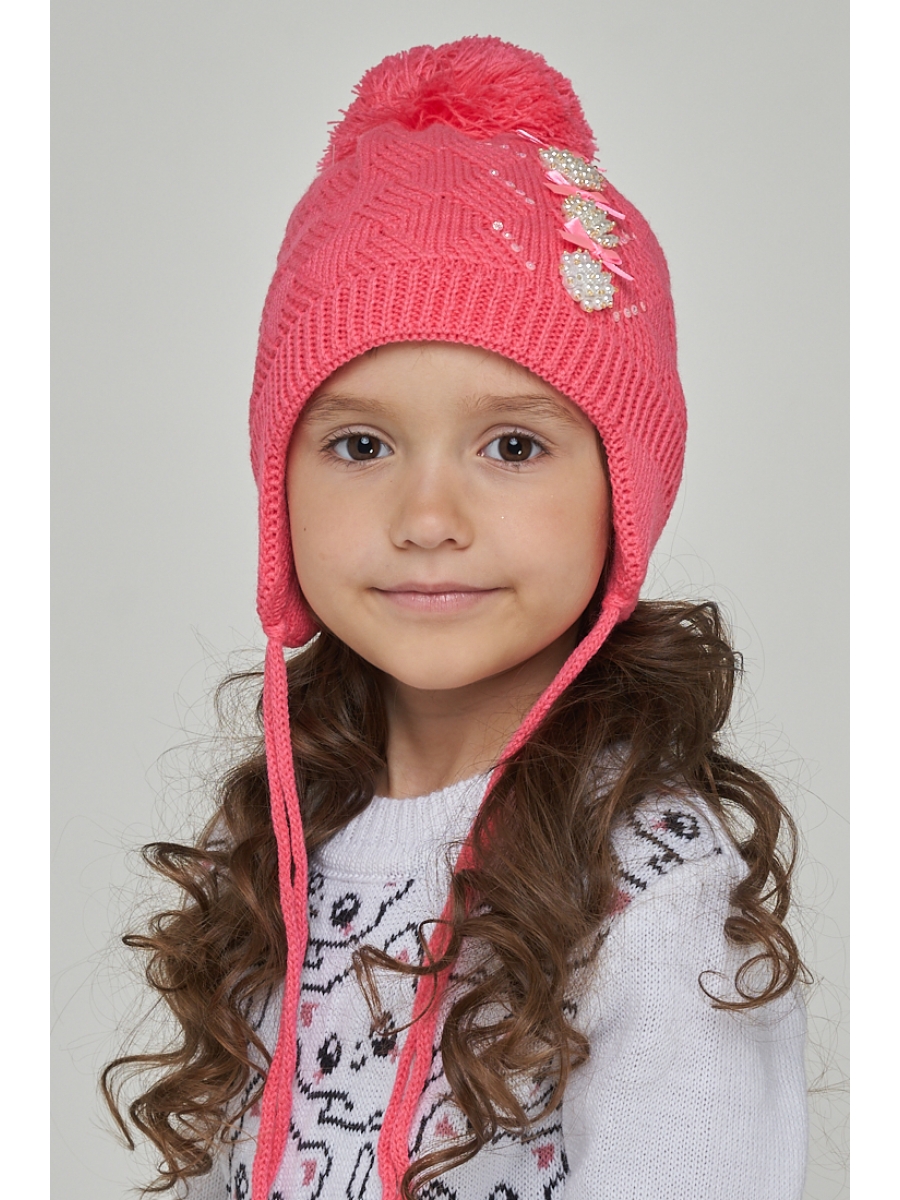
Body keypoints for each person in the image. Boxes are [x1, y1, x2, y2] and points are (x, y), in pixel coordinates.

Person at [103, 36, 809, 1200]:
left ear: (622, 496)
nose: (427, 518)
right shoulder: (282, 840)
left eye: (513, 446)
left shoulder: (652, 885)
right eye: (360, 444)